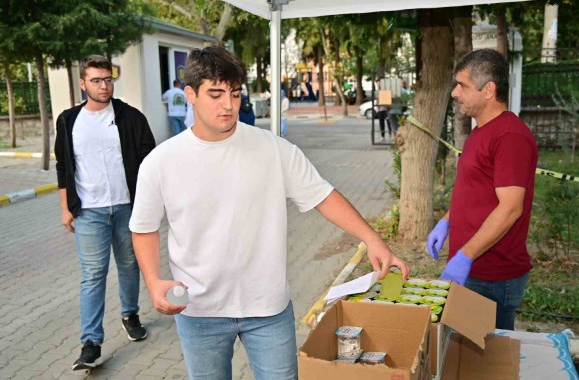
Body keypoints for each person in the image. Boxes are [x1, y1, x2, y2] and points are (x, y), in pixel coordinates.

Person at [129, 46, 409, 380]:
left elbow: (323, 196)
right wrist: (153, 280)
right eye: (215, 94)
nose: (228, 105)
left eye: (234, 94)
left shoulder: (273, 149)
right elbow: (143, 227)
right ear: (190, 94)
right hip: (198, 309)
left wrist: (373, 240)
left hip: (267, 307)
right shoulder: (161, 162)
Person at [54, 54, 156, 371]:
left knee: (129, 264)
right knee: (93, 275)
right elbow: (62, 165)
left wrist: (151, 203)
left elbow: (150, 162)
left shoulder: (131, 117)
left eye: (108, 79)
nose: (104, 85)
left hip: (127, 207)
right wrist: (65, 207)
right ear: (83, 84)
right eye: (96, 80)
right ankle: (90, 343)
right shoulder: (69, 120)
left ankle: (130, 313)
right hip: (88, 211)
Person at [426, 49, 538, 330]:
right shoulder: (481, 131)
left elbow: (511, 207)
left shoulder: (510, 136)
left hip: (492, 276)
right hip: (475, 268)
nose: (454, 93)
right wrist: (446, 221)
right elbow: (475, 191)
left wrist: (466, 256)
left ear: (488, 89)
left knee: (489, 365)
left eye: (462, 85)